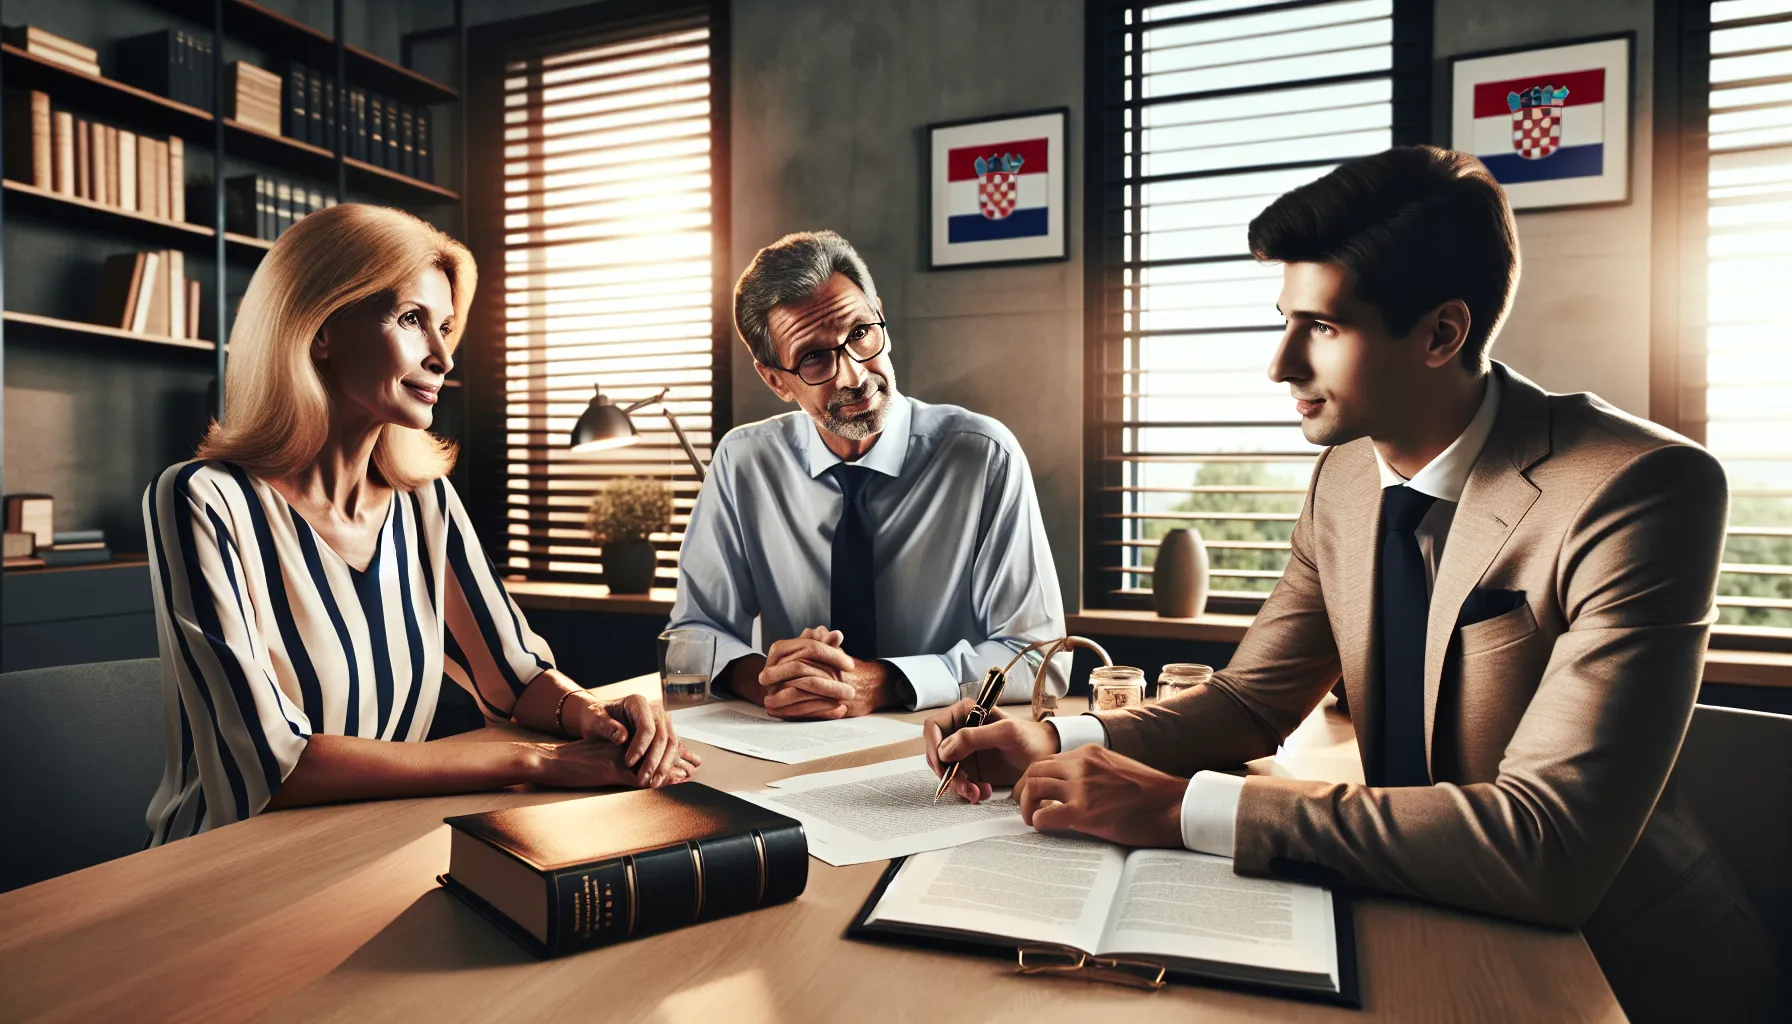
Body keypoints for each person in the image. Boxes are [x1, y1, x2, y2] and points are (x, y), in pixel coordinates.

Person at [922, 147, 1787, 1019]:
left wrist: (1189, 809)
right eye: (1285, 321)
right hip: (1404, 913)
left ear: (1443, 333)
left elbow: (1548, 845)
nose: (1281, 365)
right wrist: (1060, 739)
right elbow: (1252, 701)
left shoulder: (1640, 488)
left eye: (1324, 329)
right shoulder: (1343, 476)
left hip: (1612, 972)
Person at [143, 204, 696, 846]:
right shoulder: (203, 499)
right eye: (412, 320)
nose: (442, 357)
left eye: (446, 327)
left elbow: (515, 680)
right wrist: (538, 761)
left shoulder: (425, 501)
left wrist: (596, 715)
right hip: (221, 868)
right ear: (320, 328)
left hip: (375, 843)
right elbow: (275, 763)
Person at [668, 230, 1067, 720]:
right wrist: (773, 680)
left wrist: (885, 682)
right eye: (814, 357)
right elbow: (693, 636)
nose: (853, 376)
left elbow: (1041, 658)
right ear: (774, 379)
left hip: (940, 748)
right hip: (787, 740)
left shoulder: (984, 457)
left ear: (881, 317)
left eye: (859, 334)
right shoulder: (743, 461)